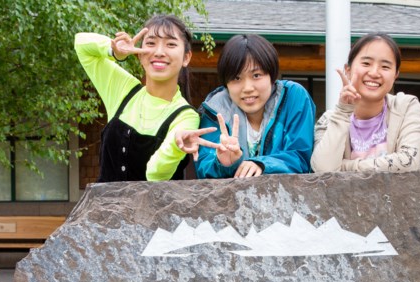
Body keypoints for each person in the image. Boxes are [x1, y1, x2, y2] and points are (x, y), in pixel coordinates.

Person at [75, 15, 200, 182]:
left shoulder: (186, 116)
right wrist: (114, 51)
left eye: (170, 44)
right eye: (150, 43)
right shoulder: (124, 90)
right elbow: (81, 43)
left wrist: (175, 148)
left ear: (186, 57)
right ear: (140, 54)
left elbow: (155, 174)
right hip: (102, 207)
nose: (159, 52)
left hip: (155, 208)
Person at [176, 34, 315, 178]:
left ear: (272, 76)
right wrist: (224, 164)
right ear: (226, 84)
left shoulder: (293, 97)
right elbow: (205, 170)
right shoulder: (214, 109)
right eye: (236, 78)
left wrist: (262, 164)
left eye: (256, 75)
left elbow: (301, 156)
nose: (247, 88)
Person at [310, 33, 420, 173]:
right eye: (366, 63)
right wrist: (342, 112)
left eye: (385, 66)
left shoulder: (406, 107)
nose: (375, 72)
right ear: (348, 70)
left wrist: (344, 167)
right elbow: (323, 171)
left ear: (395, 75)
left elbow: (409, 163)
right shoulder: (328, 121)